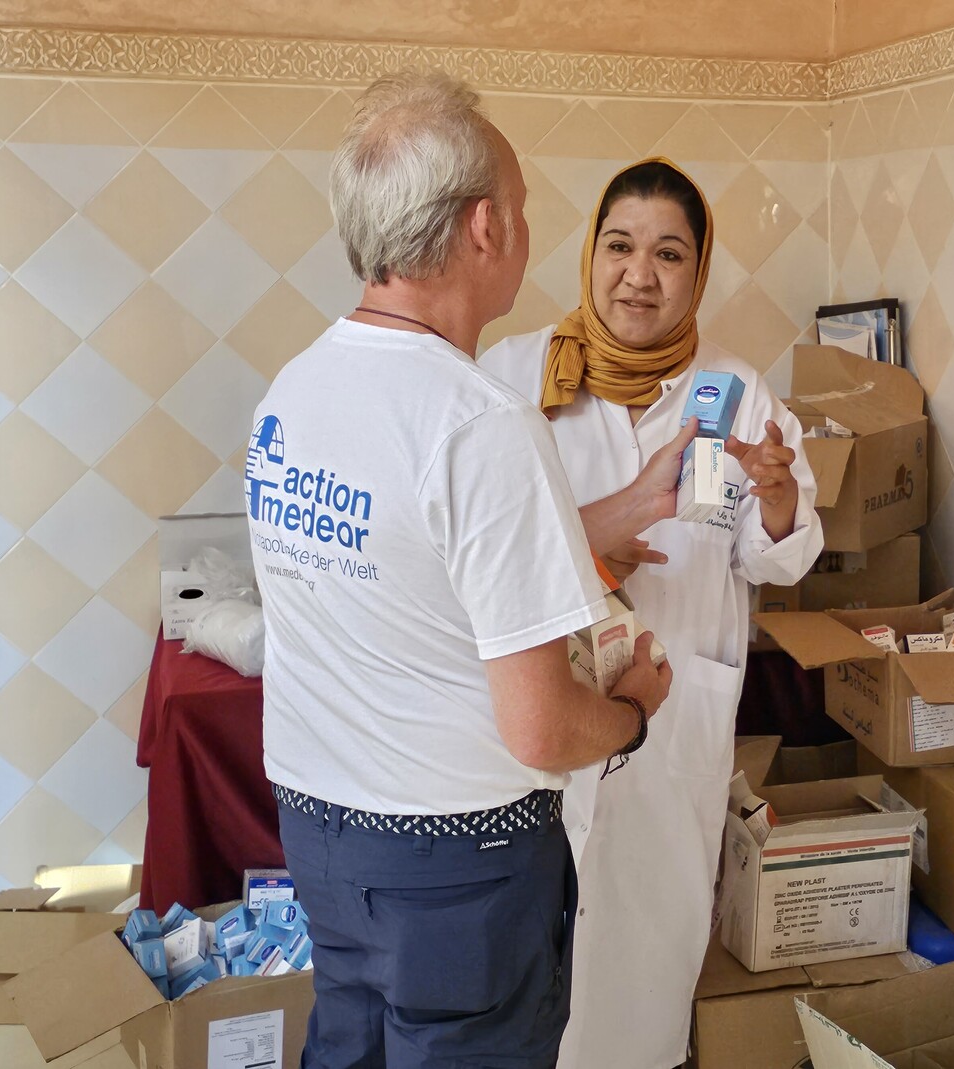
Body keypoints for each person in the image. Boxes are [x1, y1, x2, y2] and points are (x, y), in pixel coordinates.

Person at [247, 73, 687, 1069]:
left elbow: (404, 582)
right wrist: (632, 709)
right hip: (457, 864)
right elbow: (540, 726)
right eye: (525, 211)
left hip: (319, 834)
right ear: (487, 227)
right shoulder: (478, 423)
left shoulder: (297, 389)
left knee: (348, 1048)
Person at [480, 157, 824, 1069]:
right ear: (590, 252)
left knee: (645, 974)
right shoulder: (515, 376)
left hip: (677, 722)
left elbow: (774, 555)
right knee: (532, 968)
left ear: (699, 272)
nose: (640, 274)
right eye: (620, 246)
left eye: (669, 254)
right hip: (548, 714)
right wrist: (598, 540)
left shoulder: (739, 391)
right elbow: (472, 548)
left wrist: (781, 497)